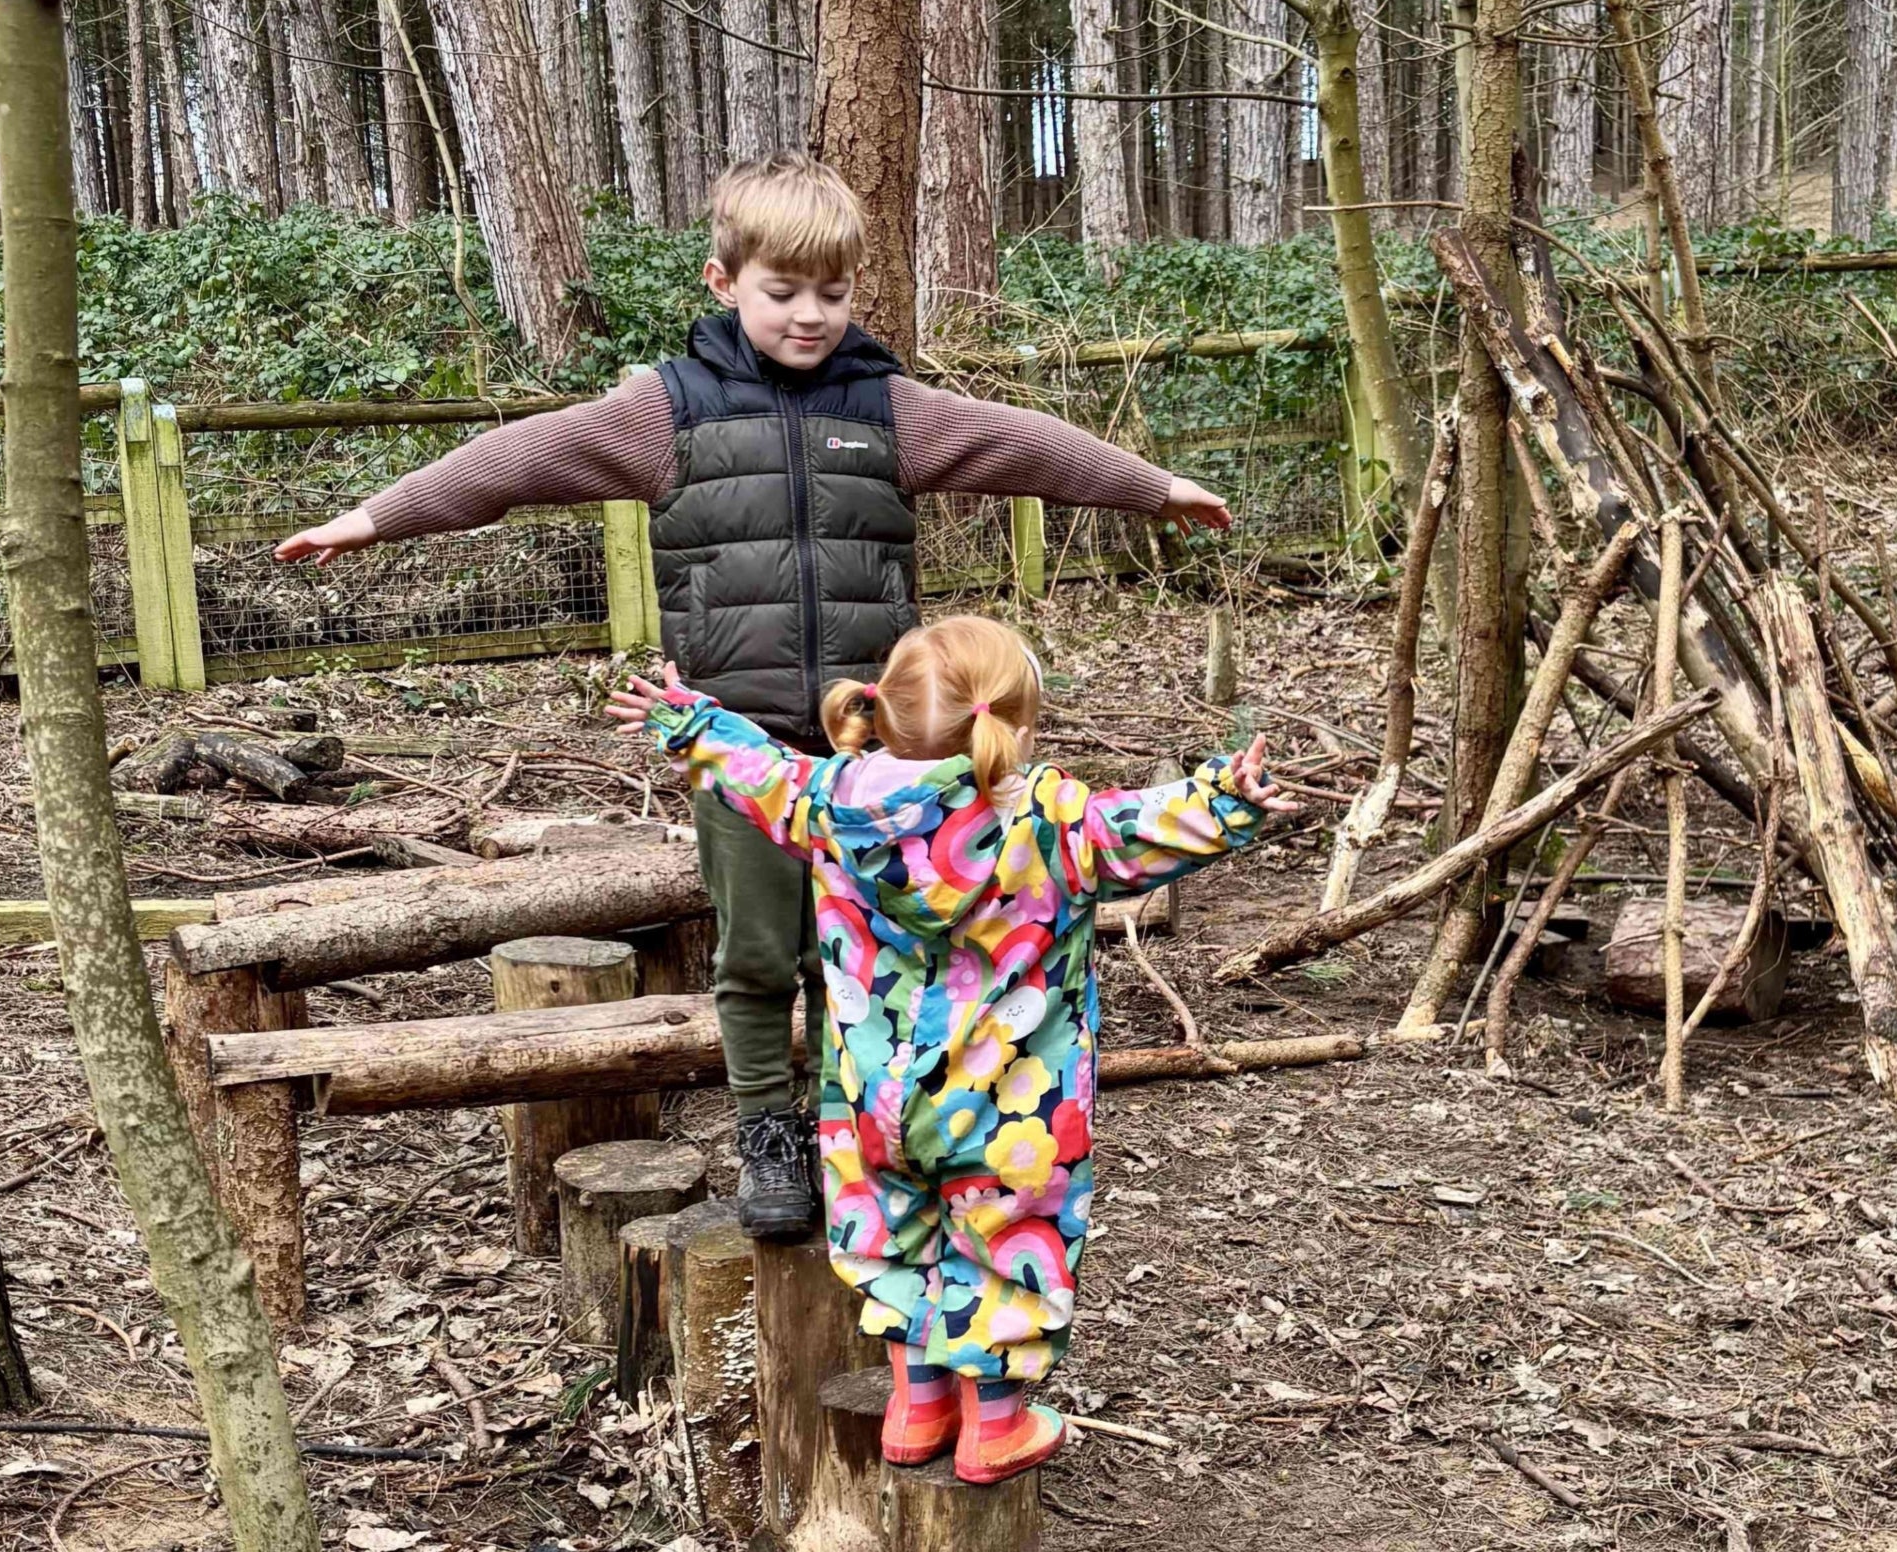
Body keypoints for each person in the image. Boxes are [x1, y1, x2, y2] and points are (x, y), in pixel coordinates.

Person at [273, 153, 1233, 1243]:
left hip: (877, 746)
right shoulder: (665, 414)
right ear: (724, 282)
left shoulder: (885, 408)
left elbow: (1024, 444)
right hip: (738, 738)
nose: (811, 315)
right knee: (760, 951)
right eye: (785, 292)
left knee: (862, 946)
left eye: (833, 292)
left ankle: (853, 1120)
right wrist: (373, 517)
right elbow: (517, 460)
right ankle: (767, 1127)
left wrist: (1152, 487)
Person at [605, 616, 1295, 1484]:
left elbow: (759, 771)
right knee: (1004, 1245)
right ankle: (993, 1428)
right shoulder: (1056, 819)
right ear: (1014, 723)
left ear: (885, 711)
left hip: (875, 1105)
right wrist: (1231, 795)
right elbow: (1150, 824)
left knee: (897, 1238)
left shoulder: (831, 800)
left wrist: (691, 719)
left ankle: (916, 1407)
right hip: (1016, 1110)